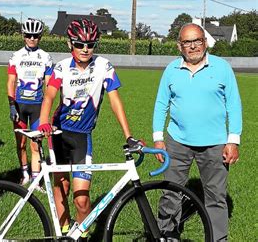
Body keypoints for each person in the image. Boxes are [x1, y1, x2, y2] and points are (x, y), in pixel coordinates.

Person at [38, 19, 139, 239]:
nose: (85, 49)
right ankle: (63, 233)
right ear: (69, 44)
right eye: (79, 44)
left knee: (82, 200)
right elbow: (49, 95)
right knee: (62, 187)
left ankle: (80, 236)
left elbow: (115, 101)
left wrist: (128, 136)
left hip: (83, 137)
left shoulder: (104, 66)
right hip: (59, 134)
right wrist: (44, 121)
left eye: (90, 44)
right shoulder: (61, 67)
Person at [152, 23, 242, 241]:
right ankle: (167, 235)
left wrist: (233, 141)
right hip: (177, 142)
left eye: (197, 41)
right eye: (187, 42)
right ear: (179, 46)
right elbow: (161, 104)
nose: (193, 46)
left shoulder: (222, 68)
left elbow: (234, 104)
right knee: (170, 193)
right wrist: (158, 138)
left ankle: (217, 238)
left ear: (205, 41)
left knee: (215, 197)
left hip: (215, 144)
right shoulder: (171, 69)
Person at [7, 18, 53, 186]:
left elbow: (49, 85)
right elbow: (11, 82)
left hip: (37, 106)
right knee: (21, 144)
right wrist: (12, 105)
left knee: (36, 144)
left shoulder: (46, 57)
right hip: (20, 105)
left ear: (40, 36)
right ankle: (24, 174)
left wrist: (47, 110)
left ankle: (35, 178)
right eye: (29, 35)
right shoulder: (16, 56)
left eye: (36, 35)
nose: (32, 38)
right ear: (24, 36)